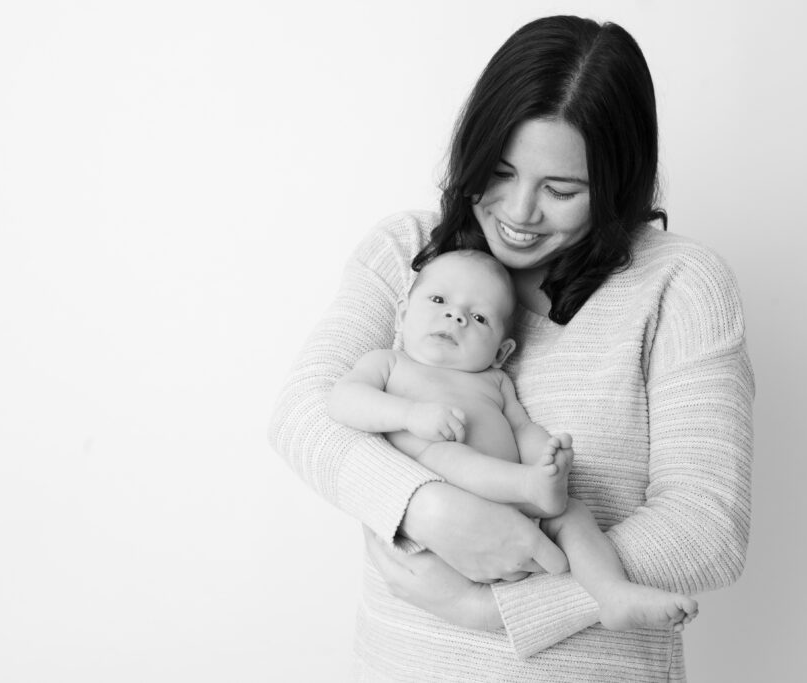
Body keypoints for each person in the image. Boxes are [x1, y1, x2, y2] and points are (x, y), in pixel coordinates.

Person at [270, 15, 753, 681]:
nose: (520, 212)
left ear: (617, 183)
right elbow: (304, 412)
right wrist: (429, 507)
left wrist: (495, 606)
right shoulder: (408, 255)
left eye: (562, 191)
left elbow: (708, 527)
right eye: (499, 171)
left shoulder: (680, 286)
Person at [327, 249, 699, 633]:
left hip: (516, 510)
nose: (455, 317)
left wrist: (546, 458)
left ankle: (612, 593)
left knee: (572, 514)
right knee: (446, 455)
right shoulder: (389, 363)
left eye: (480, 318)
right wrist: (409, 415)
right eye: (438, 300)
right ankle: (532, 487)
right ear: (403, 314)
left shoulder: (495, 381)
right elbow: (342, 400)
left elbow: (522, 428)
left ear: (501, 352)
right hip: (447, 507)